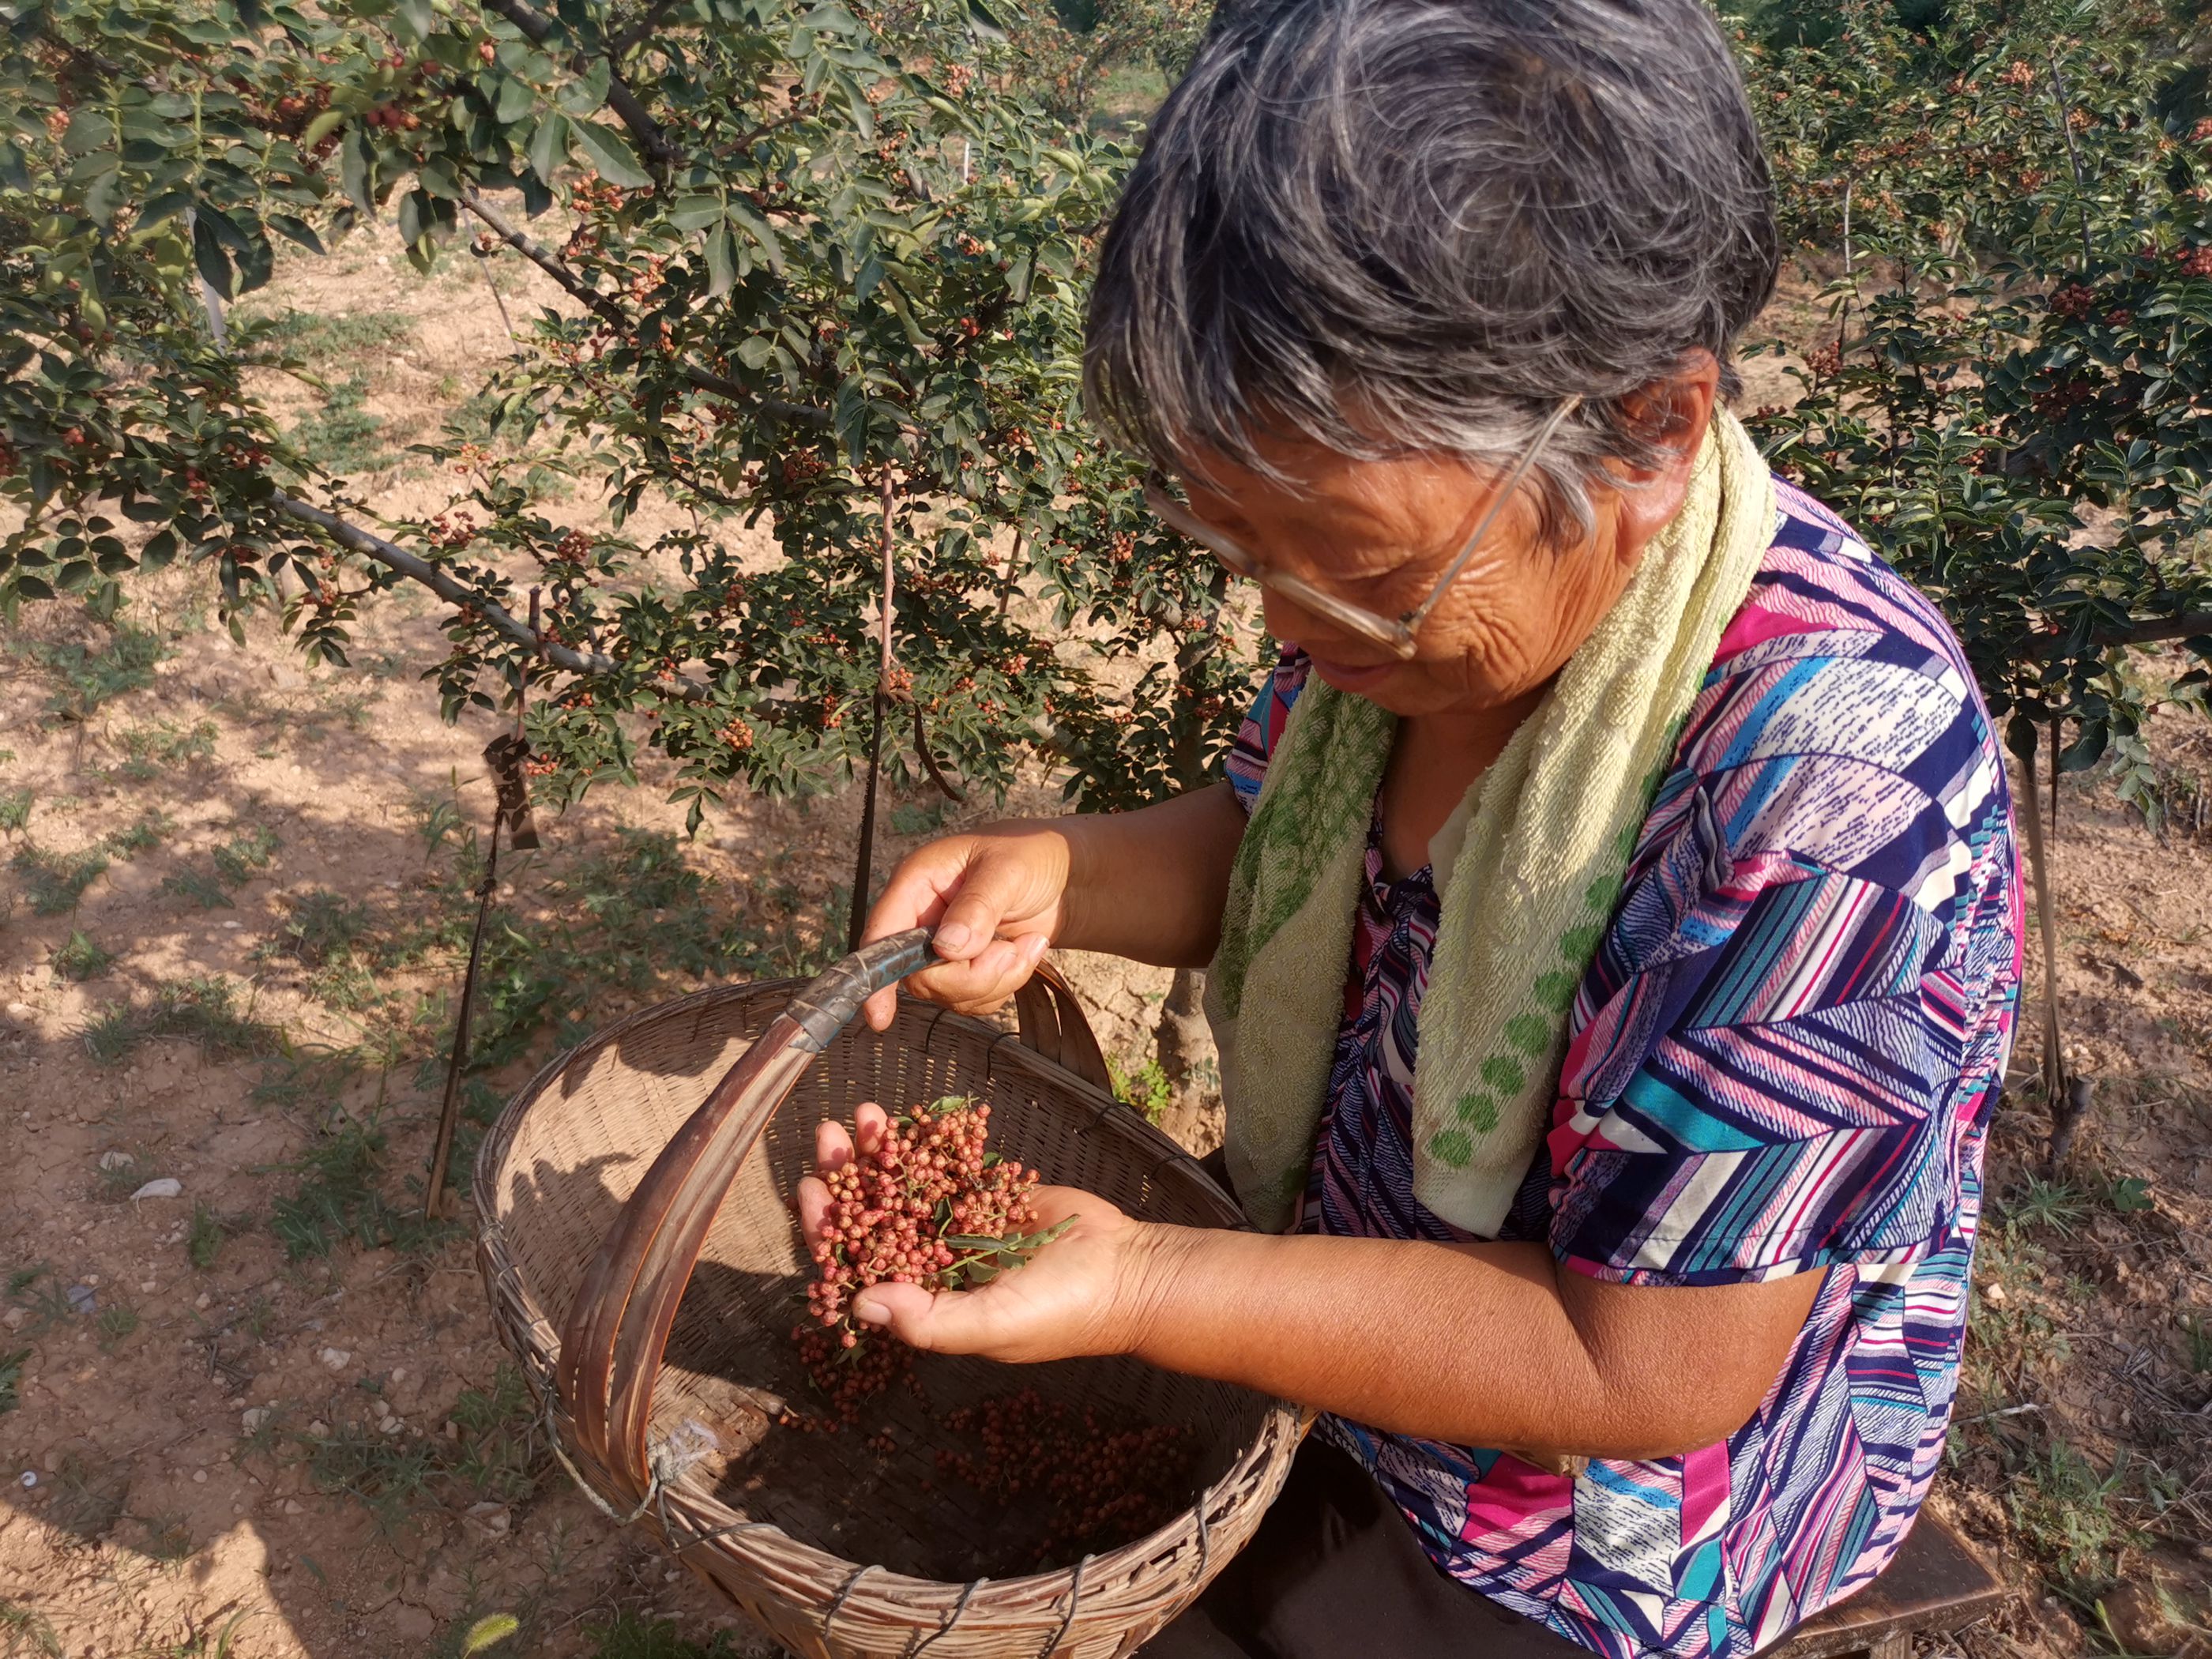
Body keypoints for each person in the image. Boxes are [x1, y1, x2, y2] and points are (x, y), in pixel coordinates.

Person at [797, 0, 2023, 1653]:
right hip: (1349, 1319)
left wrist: (1149, 1285)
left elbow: (1639, 1371)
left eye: (1350, 573)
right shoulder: (1409, 590)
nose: (1291, 627)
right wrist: (1066, 872)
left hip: (1593, 1527)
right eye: (1240, 551)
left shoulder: (1825, 792)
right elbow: (1270, 846)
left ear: (1648, 433)